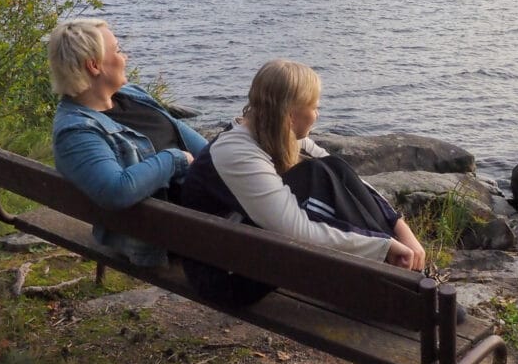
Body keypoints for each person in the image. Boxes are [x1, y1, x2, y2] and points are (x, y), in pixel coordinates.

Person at [178, 59, 426, 303]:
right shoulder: (236, 151)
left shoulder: (270, 133)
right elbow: (298, 231)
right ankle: (397, 284)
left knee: (331, 167)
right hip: (224, 277)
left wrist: (400, 230)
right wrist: (383, 247)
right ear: (290, 114)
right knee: (316, 173)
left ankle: (399, 280)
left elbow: (350, 180)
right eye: (314, 107)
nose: (317, 115)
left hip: (248, 252)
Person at [48, 18, 207, 266]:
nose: (126, 57)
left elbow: (186, 137)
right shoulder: (77, 132)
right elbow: (117, 190)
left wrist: (222, 155)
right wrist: (174, 160)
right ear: (94, 65)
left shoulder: (132, 94)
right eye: (119, 50)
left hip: (207, 205)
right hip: (187, 230)